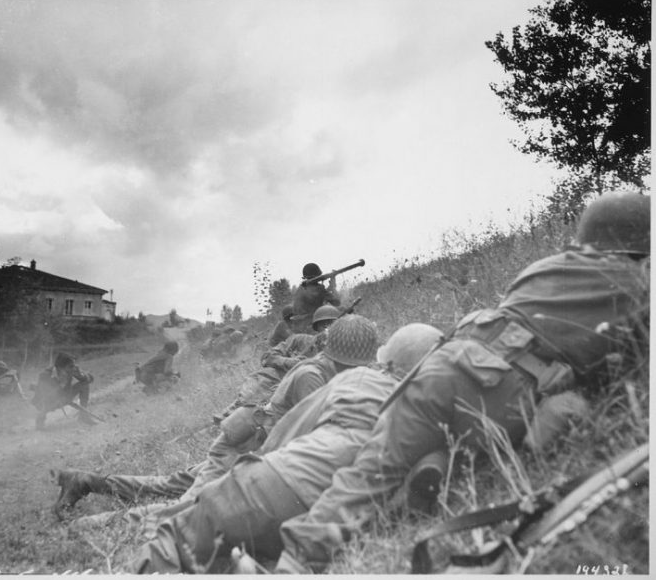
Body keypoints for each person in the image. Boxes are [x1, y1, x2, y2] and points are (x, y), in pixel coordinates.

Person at [275, 191, 651, 573]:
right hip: (504, 385)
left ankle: (295, 560)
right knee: (485, 451)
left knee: (373, 468)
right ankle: (432, 470)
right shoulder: (637, 283)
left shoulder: (546, 266)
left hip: (443, 362)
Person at [130, 320, 445, 573]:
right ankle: (104, 508)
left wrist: (258, 471)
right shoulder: (425, 411)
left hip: (268, 469)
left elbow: (293, 434)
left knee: (181, 513)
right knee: (182, 497)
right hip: (260, 464)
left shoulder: (351, 379)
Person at [50, 313, 367, 518]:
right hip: (242, 450)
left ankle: (84, 481)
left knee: (165, 485)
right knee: (188, 508)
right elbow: (317, 433)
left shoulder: (323, 370)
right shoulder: (312, 375)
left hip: (242, 443)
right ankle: (90, 526)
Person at [31, 353, 95, 430]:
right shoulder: (45, 375)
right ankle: (40, 422)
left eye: (74, 365)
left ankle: (83, 416)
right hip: (48, 402)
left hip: (65, 396)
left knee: (84, 385)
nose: (73, 367)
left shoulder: (71, 371)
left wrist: (80, 374)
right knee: (44, 403)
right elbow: (42, 395)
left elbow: (88, 380)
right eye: (71, 366)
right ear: (61, 367)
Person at [290, 263, 341, 333]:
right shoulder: (319, 289)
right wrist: (333, 287)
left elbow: (318, 296)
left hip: (298, 326)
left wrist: (329, 288)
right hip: (311, 326)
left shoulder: (301, 288)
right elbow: (337, 302)